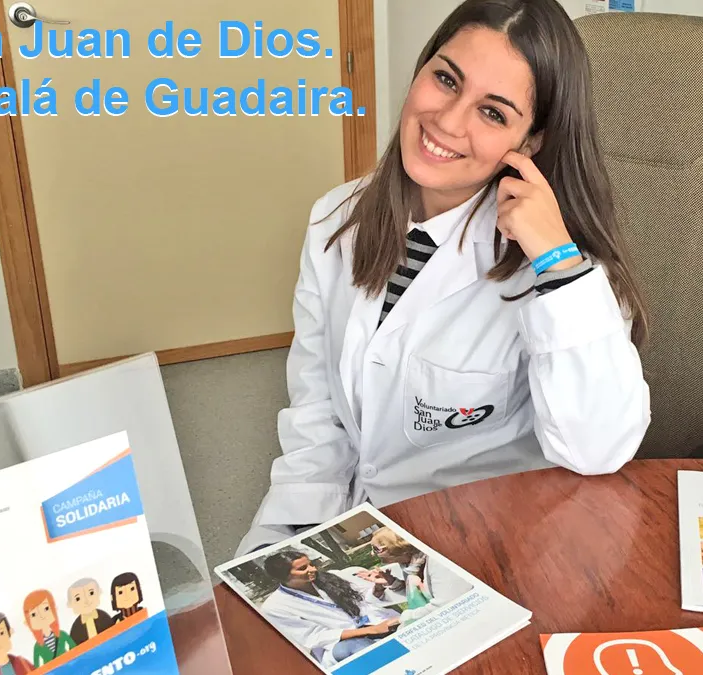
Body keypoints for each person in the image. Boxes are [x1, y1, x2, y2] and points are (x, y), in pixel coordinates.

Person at [239, 0, 651, 554]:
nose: (449, 122)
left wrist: (557, 262)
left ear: (530, 142)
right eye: (446, 80)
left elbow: (597, 450)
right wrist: (284, 540)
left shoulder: (561, 270)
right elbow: (317, 410)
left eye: (493, 113)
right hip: (356, 529)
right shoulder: (335, 221)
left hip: (484, 548)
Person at [260, 548, 401, 667]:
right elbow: (314, 637)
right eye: (303, 568)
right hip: (341, 644)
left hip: (376, 624)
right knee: (361, 647)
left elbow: (365, 599)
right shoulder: (275, 606)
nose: (313, 569)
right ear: (283, 576)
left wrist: (378, 589)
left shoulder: (331, 577)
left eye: (311, 564)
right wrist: (371, 630)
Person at [369, 528, 473, 624]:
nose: (372, 554)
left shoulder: (437, 561)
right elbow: (421, 594)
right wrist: (392, 582)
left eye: (376, 549)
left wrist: (404, 618)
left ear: (397, 546)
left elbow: (447, 605)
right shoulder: (410, 565)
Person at [22, 590, 76, 666]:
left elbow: (75, 649)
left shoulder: (62, 635)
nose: (41, 616)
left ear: (54, 608)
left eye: (46, 608)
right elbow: (37, 668)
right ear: (27, 622)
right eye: (34, 614)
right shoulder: (37, 647)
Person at [67, 578, 116, 645]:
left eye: (91, 593)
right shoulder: (76, 628)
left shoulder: (104, 617)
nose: (86, 601)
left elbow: (113, 632)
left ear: (99, 592)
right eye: (78, 598)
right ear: (70, 604)